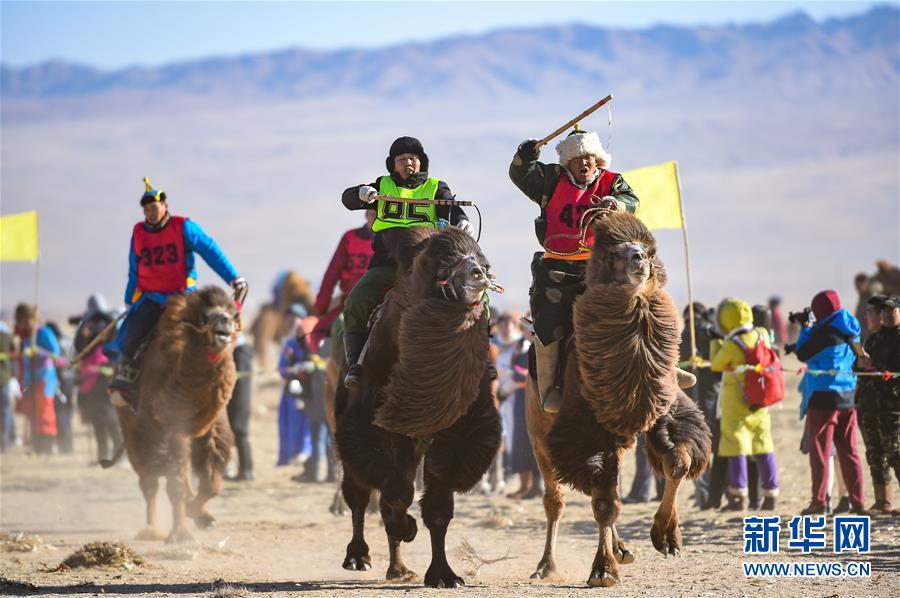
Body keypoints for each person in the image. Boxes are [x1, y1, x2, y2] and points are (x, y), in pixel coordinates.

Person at [509, 126, 695, 413]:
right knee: (548, 320)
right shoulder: (550, 180)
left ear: (598, 160)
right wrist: (526, 155)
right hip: (558, 267)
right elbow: (521, 174)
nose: (584, 163)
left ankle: (664, 366)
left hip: (604, 265)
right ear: (567, 162)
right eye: (577, 158)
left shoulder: (612, 181)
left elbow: (632, 201)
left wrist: (616, 203)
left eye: (589, 157)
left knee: (644, 302)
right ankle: (548, 388)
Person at [340, 136, 473, 388]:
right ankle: (355, 362)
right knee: (356, 300)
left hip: (426, 265)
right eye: (401, 160)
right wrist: (360, 193)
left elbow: (452, 207)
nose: (408, 163)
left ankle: (476, 356)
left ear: (422, 162)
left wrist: (462, 220)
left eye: (413, 159)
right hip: (386, 263)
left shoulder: (436, 187)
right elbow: (348, 200)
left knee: (470, 295)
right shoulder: (382, 185)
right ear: (393, 165)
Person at [109, 178, 247, 409]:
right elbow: (134, 269)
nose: (151, 213)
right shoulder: (139, 233)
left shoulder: (183, 227)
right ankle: (127, 377)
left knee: (211, 329)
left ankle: (218, 373)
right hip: (152, 298)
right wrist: (129, 301)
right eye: (146, 209)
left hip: (183, 297)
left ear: (165, 206)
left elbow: (210, 250)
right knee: (132, 333)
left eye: (154, 208)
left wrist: (233, 278)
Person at [793, 290, 867, 515]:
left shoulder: (822, 333)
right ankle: (858, 503)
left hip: (823, 399)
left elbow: (802, 353)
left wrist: (805, 329)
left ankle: (819, 502)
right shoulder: (851, 329)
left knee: (821, 454)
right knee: (850, 453)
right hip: (848, 397)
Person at [709, 298, 779, 511]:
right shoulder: (762, 334)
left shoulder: (732, 345)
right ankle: (771, 494)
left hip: (736, 403)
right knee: (764, 446)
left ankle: (738, 495)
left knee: (736, 447)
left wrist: (715, 341)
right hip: (760, 400)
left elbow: (716, 364)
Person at [679, 303, 725, 508]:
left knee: (702, 444)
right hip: (702, 396)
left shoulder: (703, 333)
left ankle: (708, 492)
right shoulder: (707, 332)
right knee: (705, 445)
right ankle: (707, 492)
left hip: (704, 396)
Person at [312, 210, 376, 351]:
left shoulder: (391, 237)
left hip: (382, 300)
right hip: (350, 301)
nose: (375, 217)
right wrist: (321, 306)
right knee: (320, 332)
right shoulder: (350, 238)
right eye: (372, 213)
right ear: (366, 214)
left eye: (378, 213)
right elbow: (331, 274)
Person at [72, 295, 122, 463]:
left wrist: (105, 369)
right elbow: (80, 349)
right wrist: (84, 334)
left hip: (107, 384)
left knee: (112, 421)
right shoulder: (88, 326)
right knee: (98, 422)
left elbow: (116, 356)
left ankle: (119, 457)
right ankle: (103, 457)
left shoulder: (112, 325)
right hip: (91, 386)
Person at [861, 295, 900, 513]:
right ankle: (883, 501)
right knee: (875, 454)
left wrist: (873, 364)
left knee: (895, 452)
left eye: (892, 311)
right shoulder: (874, 339)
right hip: (870, 405)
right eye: (884, 311)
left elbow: (892, 368)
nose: (887, 315)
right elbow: (863, 369)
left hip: (893, 406)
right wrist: (861, 363)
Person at [276, 315, 323, 470]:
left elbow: (321, 365)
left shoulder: (318, 345)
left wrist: (309, 367)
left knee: (315, 433)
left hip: (315, 395)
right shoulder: (293, 344)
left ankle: (313, 467)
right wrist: (294, 362)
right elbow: (284, 369)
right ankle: (299, 461)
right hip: (297, 392)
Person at [14, 303, 60, 454]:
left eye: (27, 320)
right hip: (31, 381)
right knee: (33, 413)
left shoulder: (44, 333)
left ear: (33, 319)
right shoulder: (26, 337)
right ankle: (36, 446)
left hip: (45, 378)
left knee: (45, 412)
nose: (24, 324)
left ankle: (47, 446)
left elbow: (56, 354)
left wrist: (39, 352)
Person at [226, 335, 255, 481]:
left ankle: (246, 471)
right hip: (238, 401)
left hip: (239, 402)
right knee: (239, 433)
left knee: (240, 433)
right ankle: (243, 470)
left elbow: (240, 379)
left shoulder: (241, 353)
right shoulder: (241, 352)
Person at [0, 320, 18, 452]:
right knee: (6, 410)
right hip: (5, 379)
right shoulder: (7, 335)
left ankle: (7, 441)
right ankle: (7, 441)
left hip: (5, 379)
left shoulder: (6, 335)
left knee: (5, 410)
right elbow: (16, 353)